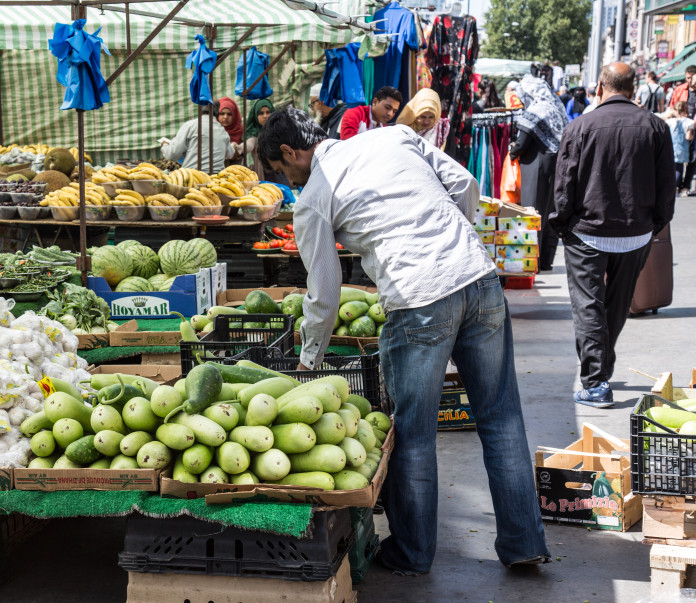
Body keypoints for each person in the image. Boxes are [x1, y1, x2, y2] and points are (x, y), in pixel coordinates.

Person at [257, 107, 550, 574]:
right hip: (478, 277)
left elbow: (324, 289)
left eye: (281, 170)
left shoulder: (314, 196)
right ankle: (524, 543)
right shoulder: (392, 137)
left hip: (418, 300)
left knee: (413, 434)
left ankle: (412, 553)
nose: (287, 179)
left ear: (291, 152)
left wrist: (309, 357)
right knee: (501, 417)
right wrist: (449, 240)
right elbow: (465, 186)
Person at [551, 63, 674, 408]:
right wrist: (655, 224)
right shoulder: (656, 127)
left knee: (589, 306)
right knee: (616, 306)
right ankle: (600, 371)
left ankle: (596, 382)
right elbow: (667, 188)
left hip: (588, 231)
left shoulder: (580, 126)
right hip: (636, 233)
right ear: (633, 88)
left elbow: (564, 184)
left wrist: (561, 225)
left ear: (601, 86)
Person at [509, 75, 569, 272]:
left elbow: (522, 143)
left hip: (536, 166)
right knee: (551, 211)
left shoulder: (536, 110)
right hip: (556, 165)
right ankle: (545, 260)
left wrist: (512, 151)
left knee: (532, 211)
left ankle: (531, 260)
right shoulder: (556, 107)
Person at [160, 101, 232, 171]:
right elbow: (230, 154)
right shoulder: (223, 131)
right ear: (217, 112)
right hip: (216, 178)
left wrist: (164, 146)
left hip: (193, 177)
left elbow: (172, 154)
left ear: (199, 109)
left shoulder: (190, 126)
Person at [243, 99, 289, 185]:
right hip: (264, 174)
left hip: (282, 173)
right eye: (261, 113)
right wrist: (238, 149)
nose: (265, 116)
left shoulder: (281, 130)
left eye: (268, 112)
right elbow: (249, 144)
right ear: (255, 116)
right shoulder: (254, 134)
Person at [660, 101, 695, 194]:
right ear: (685, 110)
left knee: (671, 167)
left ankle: (669, 185)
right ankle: (675, 186)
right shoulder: (690, 122)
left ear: (675, 110)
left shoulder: (669, 122)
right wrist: (692, 136)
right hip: (682, 148)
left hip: (670, 147)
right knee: (679, 168)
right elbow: (688, 137)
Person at [217, 97, 244, 163]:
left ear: (234, 115)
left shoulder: (240, 131)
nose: (225, 117)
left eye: (229, 114)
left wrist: (239, 148)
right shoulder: (212, 131)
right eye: (222, 113)